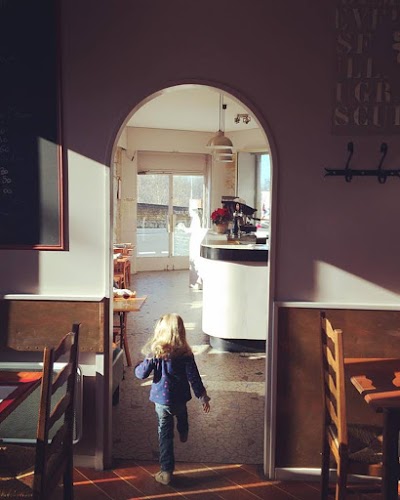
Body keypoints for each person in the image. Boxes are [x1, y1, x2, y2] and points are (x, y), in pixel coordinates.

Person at [134, 313, 211, 485]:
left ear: (160, 331)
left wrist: (140, 364)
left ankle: (166, 471)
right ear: (181, 332)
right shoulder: (186, 354)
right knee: (182, 414)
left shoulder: (156, 352)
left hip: (161, 402)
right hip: (180, 398)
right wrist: (203, 396)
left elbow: (141, 374)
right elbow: (194, 378)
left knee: (165, 435)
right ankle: (183, 430)